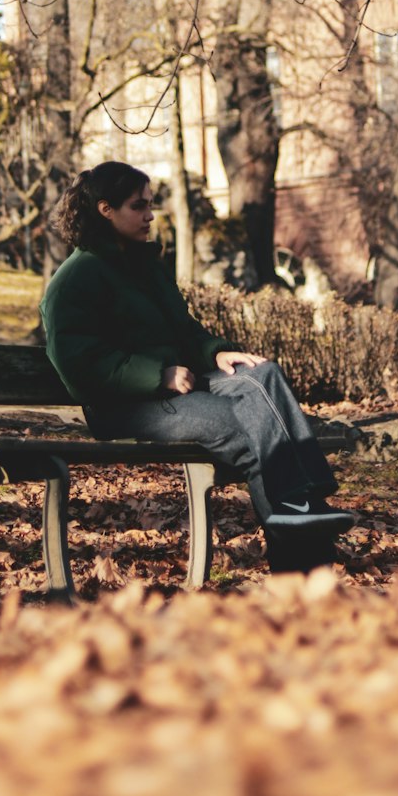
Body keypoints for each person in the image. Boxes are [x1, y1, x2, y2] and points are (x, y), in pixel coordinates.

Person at [41, 162, 353, 569]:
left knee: (264, 374)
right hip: (126, 407)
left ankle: (305, 504)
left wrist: (215, 353)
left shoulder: (144, 266)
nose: (151, 215)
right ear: (105, 210)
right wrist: (159, 374)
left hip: (180, 388)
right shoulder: (74, 280)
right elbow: (81, 367)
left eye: (151, 205)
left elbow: (185, 331)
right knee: (250, 429)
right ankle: (305, 561)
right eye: (139, 206)